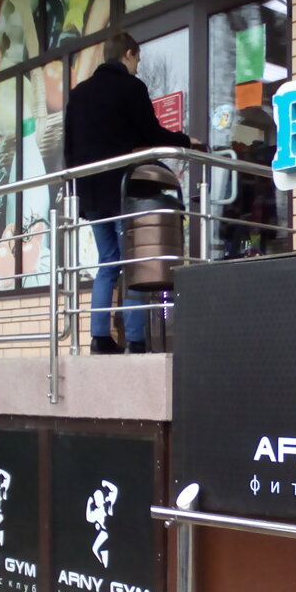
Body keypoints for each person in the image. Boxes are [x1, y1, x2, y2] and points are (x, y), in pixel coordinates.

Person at [64, 31, 203, 354]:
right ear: (128, 53)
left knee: (108, 262)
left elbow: (69, 149)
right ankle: (136, 340)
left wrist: (79, 195)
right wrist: (186, 141)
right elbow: (150, 133)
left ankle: (99, 338)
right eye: (137, 58)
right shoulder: (130, 87)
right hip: (122, 189)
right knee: (133, 262)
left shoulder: (79, 94)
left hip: (91, 194)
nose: (138, 65)